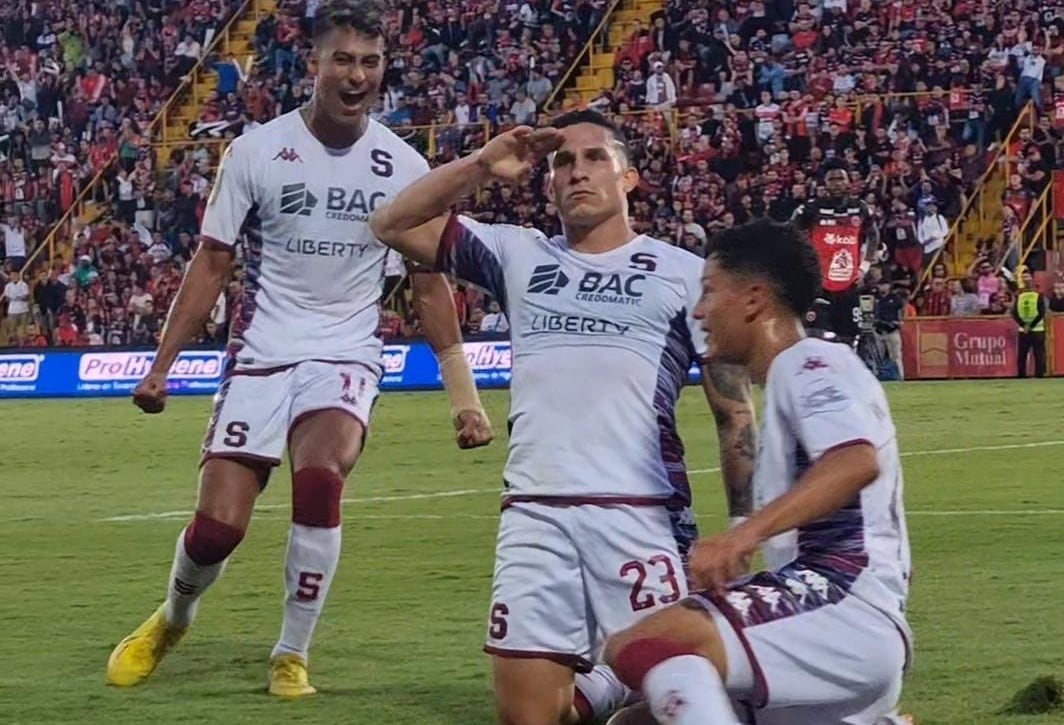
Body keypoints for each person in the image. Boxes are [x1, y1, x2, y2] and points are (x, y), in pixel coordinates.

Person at [105, 0, 494, 698]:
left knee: (319, 479)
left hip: (345, 354)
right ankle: (173, 617)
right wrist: (160, 368)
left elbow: (428, 283)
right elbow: (212, 263)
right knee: (217, 531)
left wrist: (463, 397)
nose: (357, 75)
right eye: (343, 60)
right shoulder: (255, 152)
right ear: (313, 63)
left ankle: (291, 652)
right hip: (260, 354)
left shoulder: (404, 165)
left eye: (370, 62)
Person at [369, 109, 757, 725]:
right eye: (563, 162)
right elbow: (391, 222)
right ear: (548, 182)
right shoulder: (517, 253)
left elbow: (733, 411)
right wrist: (481, 165)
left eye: (595, 157)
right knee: (529, 715)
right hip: (534, 515)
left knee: (680, 697)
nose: (578, 172)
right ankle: (605, 685)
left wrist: (741, 526)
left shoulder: (685, 274)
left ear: (628, 178)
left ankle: (614, 682)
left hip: (640, 513)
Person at [601, 219, 911, 725]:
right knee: (638, 722)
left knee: (649, 643)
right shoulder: (801, 375)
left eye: (709, 291)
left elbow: (854, 461)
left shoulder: (807, 362)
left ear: (753, 299)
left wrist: (742, 536)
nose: (698, 310)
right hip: (846, 623)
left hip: (843, 607)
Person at [792, 161, 880, 345]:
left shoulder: (860, 208)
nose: (837, 183)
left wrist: (864, 267)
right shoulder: (811, 209)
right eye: (832, 179)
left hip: (849, 285)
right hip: (819, 286)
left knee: (850, 339)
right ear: (824, 183)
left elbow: (873, 236)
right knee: (816, 337)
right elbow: (789, 235)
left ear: (849, 181)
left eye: (841, 178)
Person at [1012, 269, 1047, 378]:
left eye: (1027, 277)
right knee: (1022, 353)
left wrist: (1029, 326)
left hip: (1037, 329)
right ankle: (1021, 374)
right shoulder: (1019, 296)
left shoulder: (1038, 295)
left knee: (1039, 353)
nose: (1026, 280)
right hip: (1024, 329)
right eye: (1024, 278)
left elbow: (1041, 312)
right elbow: (1014, 312)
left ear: (1032, 279)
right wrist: (1024, 325)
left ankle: (1039, 374)